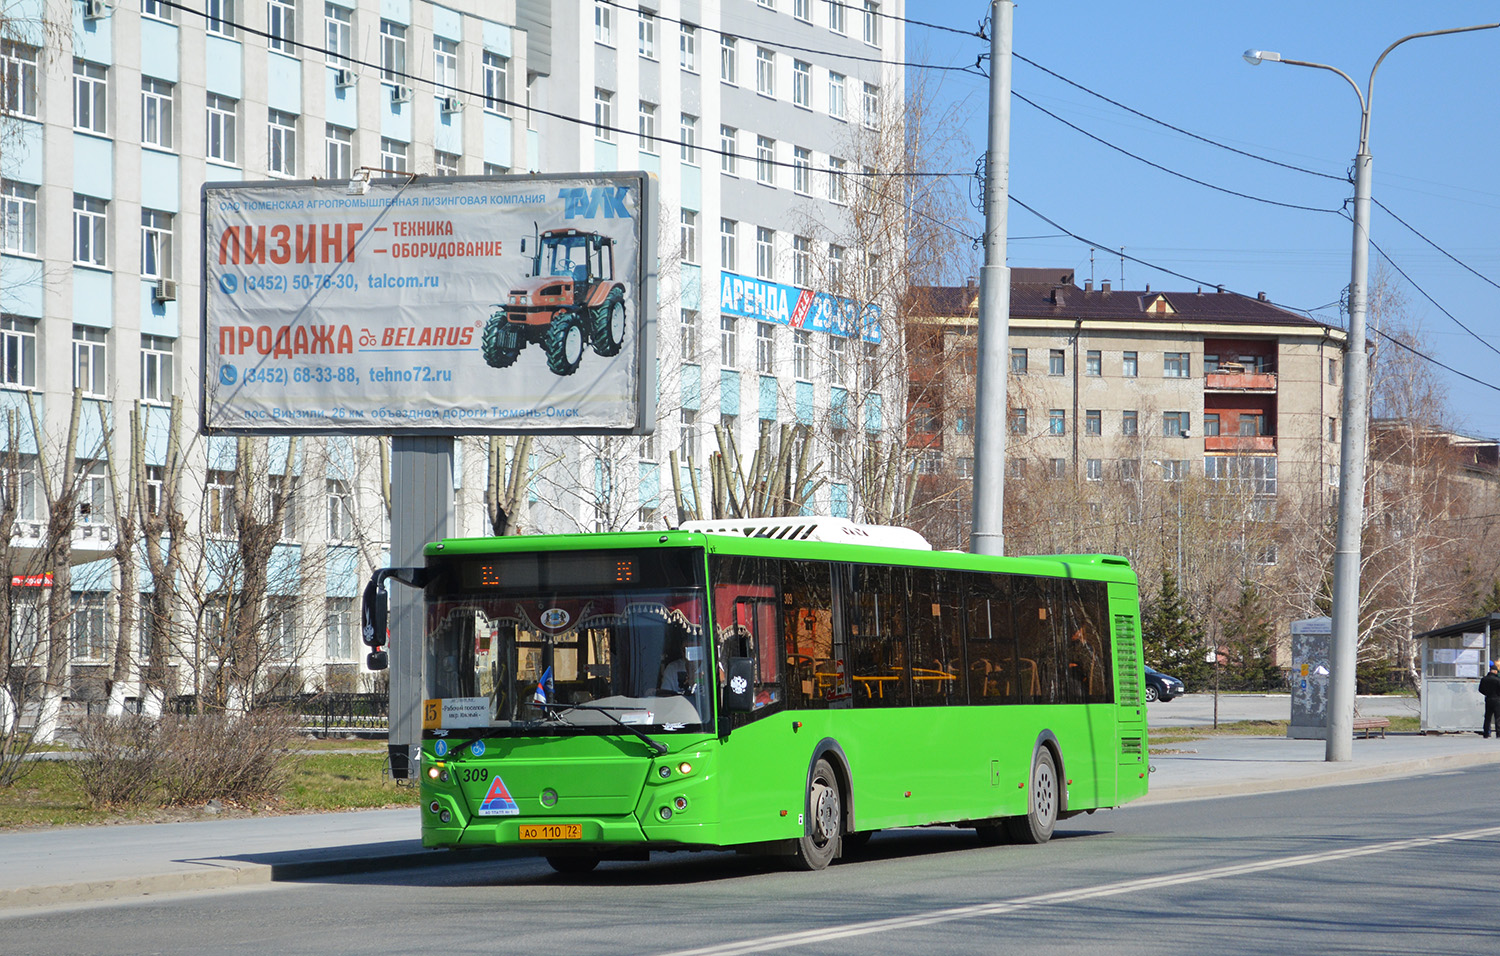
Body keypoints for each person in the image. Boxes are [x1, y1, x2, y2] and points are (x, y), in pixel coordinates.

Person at [1480, 662, 1500, 737]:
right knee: (1497, 717)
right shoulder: (1498, 680)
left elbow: (1480, 689)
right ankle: (1498, 733)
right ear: (1495, 671)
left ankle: (1486, 733)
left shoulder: (1484, 679)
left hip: (1488, 699)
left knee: (1487, 717)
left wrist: (1486, 693)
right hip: (1497, 700)